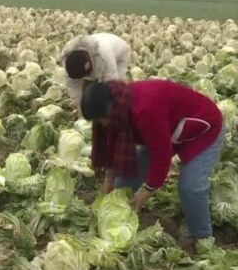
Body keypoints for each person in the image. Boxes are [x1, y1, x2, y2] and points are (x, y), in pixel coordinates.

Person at [81, 80, 224, 244]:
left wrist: (144, 194)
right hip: (167, 130)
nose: (102, 124)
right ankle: (118, 216)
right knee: (121, 187)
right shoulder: (119, 106)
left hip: (203, 128)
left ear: (109, 109)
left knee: (191, 187)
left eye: (101, 120)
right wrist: (109, 180)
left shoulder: (146, 109)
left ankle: (201, 236)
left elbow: (161, 157)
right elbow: (112, 145)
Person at [59, 33, 131, 110]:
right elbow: (74, 87)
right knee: (87, 90)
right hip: (100, 45)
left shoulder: (104, 55)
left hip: (119, 53)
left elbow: (112, 84)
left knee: (116, 91)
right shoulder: (69, 60)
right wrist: (80, 107)